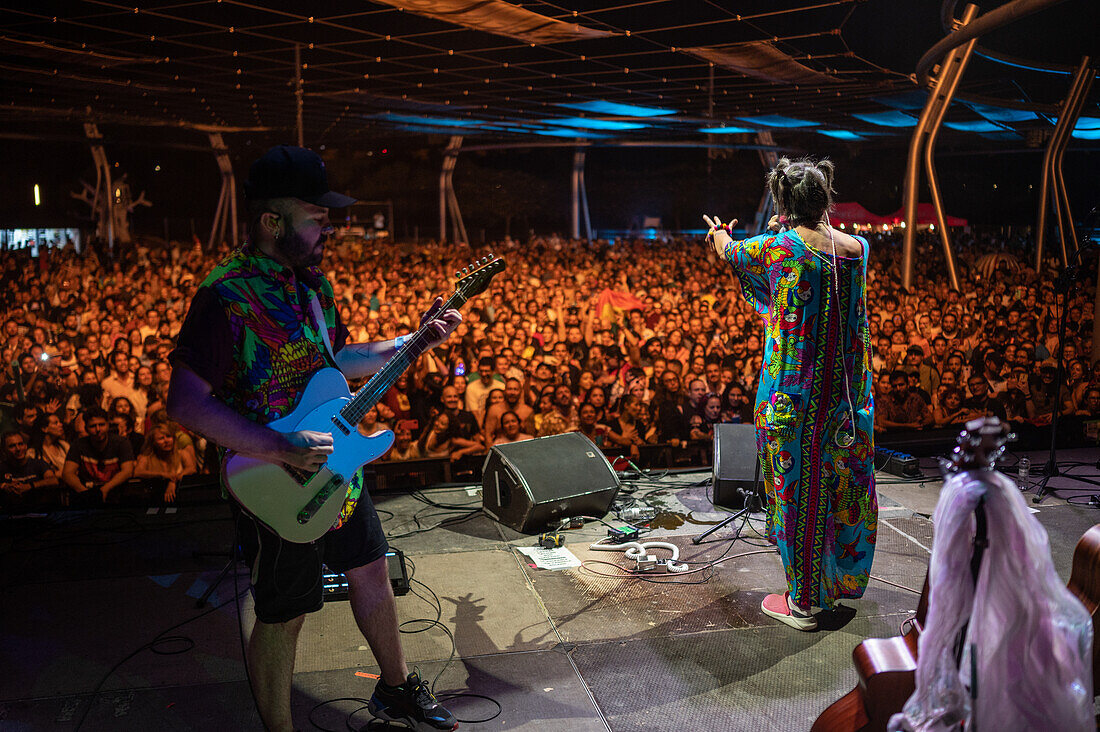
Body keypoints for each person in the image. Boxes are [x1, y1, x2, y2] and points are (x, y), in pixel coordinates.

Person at [165, 146, 460, 732]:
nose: (330, 224)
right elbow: (185, 401)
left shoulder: (311, 286)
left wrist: (413, 341)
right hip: (270, 479)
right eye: (316, 215)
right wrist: (278, 447)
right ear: (272, 221)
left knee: (372, 569)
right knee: (285, 612)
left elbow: (338, 360)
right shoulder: (224, 296)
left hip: (334, 464)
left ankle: (397, 689)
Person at [704, 156, 876, 631]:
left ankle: (803, 602)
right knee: (838, 487)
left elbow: (729, 251)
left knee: (796, 495)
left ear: (782, 203)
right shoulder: (857, 249)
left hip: (791, 401)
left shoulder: (778, 248)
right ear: (826, 199)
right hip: (845, 400)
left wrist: (720, 232)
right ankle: (834, 584)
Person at [60, 406, 135, 503]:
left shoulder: (121, 442)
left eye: (102, 425)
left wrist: (105, 489)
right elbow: (67, 473)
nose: (98, 429)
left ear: (108, 425)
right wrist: (84, 493)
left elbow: (127, 471)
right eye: (93, 426)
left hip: (116, 493)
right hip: (87, 493)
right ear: (86, 428)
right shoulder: (79, 444)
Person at [134, 423, 198, 503]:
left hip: (181, 499)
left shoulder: (182, 453)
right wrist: (162, 474)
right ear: (153, 442)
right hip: (154, 499)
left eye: (168, 436)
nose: (166, 441)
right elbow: (138, 472)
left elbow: (191, 469)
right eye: (161, 438)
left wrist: (173, 481)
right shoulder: (146, 457)